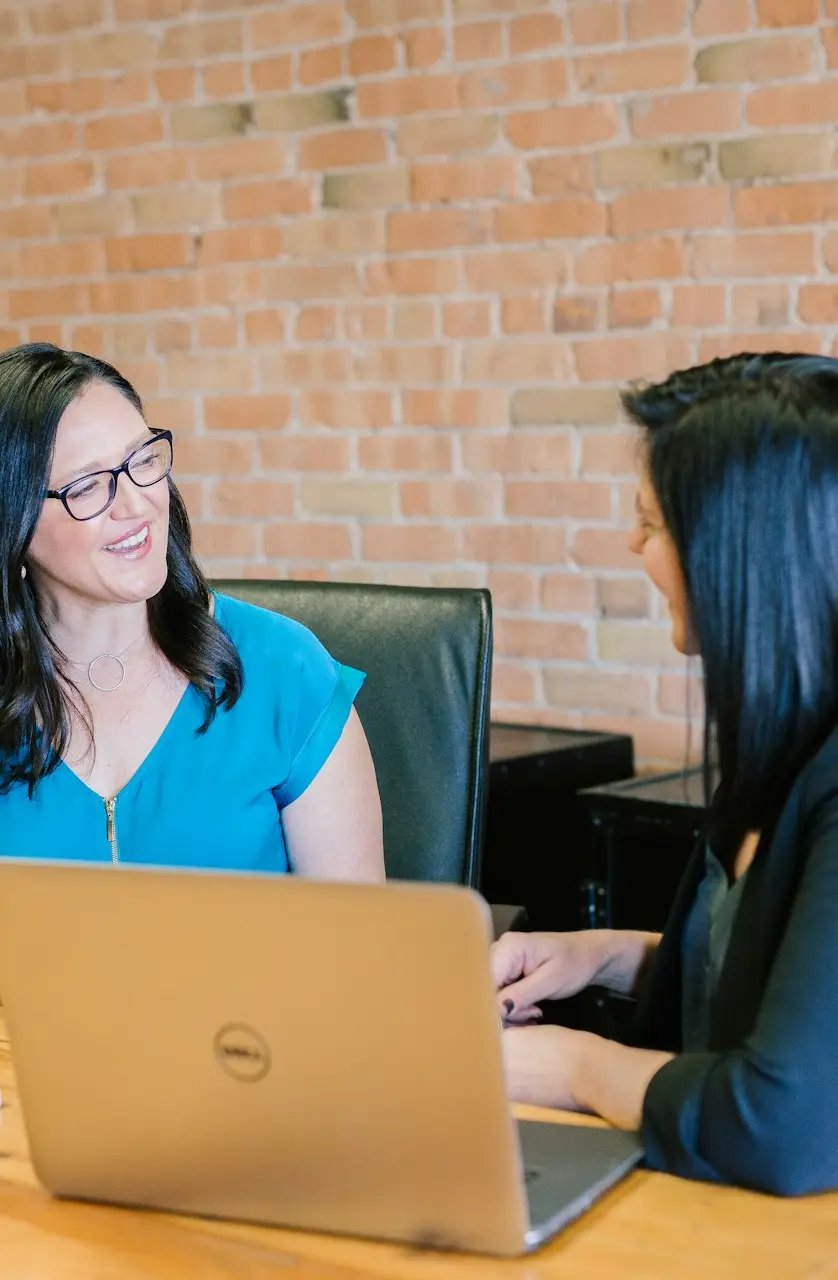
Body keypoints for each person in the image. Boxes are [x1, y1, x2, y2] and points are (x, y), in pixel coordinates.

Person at [492, 352, 838, 1196]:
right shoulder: (782, 742)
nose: (633, 544)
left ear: (738, 554)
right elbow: (781, 980)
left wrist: (572, 1066)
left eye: (653, 522)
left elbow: (781, 1122)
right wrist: (606, 956)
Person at [0, 343, 384, 880]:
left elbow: (358, 938)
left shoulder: (285, 671)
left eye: (141, 460)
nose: (136, 504)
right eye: (87, 486)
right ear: (14, 522)